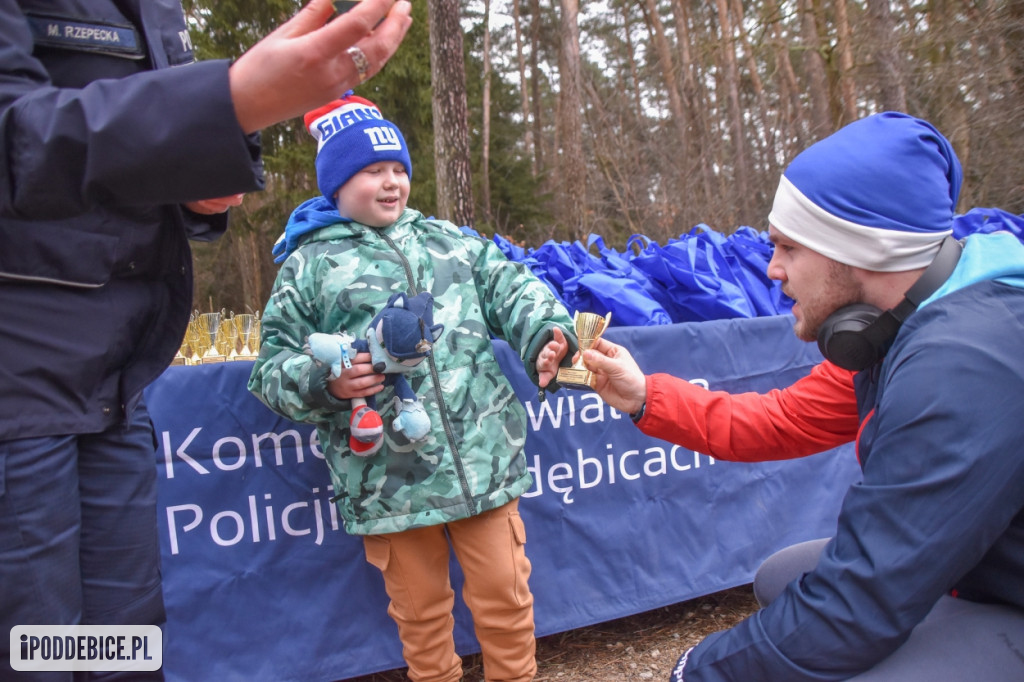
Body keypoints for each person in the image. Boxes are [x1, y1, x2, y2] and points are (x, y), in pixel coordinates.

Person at [0, 0, 411, 679]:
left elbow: (120, 158)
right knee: (32, 646)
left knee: (123, 644)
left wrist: (199, 180)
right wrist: (228, 102)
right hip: (22, 380)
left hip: (118, 376)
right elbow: (18, 139)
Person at [570, 112, 1024, 681]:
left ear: (861, 247)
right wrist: (644, 397)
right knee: (782, 576)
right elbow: (781, 420)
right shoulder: (898, 325)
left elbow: (856, 606)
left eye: (788, 247)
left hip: (1002, 592)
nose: (771, 268)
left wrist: (694, 671)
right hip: (981, 566)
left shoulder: (962, 367)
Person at [247, 93, 578, 682]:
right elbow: (270, 366)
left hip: (482, 465)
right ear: (337, 184)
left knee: (506, 598)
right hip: (387, 484)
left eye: (398, 168)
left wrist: (546, 334)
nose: (391, 181)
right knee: (421, 616)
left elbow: (516, 291)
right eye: (372, 170)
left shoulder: (453, 241)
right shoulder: (309, 265)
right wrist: (328, 381)